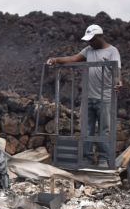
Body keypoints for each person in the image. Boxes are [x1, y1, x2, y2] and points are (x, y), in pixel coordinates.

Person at [47, 24, 122, 164]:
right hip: (88, 97)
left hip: (105, 98)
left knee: (104, 130)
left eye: (92, 40)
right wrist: (56, 60)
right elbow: (74, 59)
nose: (90, 43)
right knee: (86, 129)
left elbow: (117, 69)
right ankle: (86, 158)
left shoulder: (112, 51)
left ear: (99, 36)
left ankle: (103, 159)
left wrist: (119, 82)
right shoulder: (88, 50)